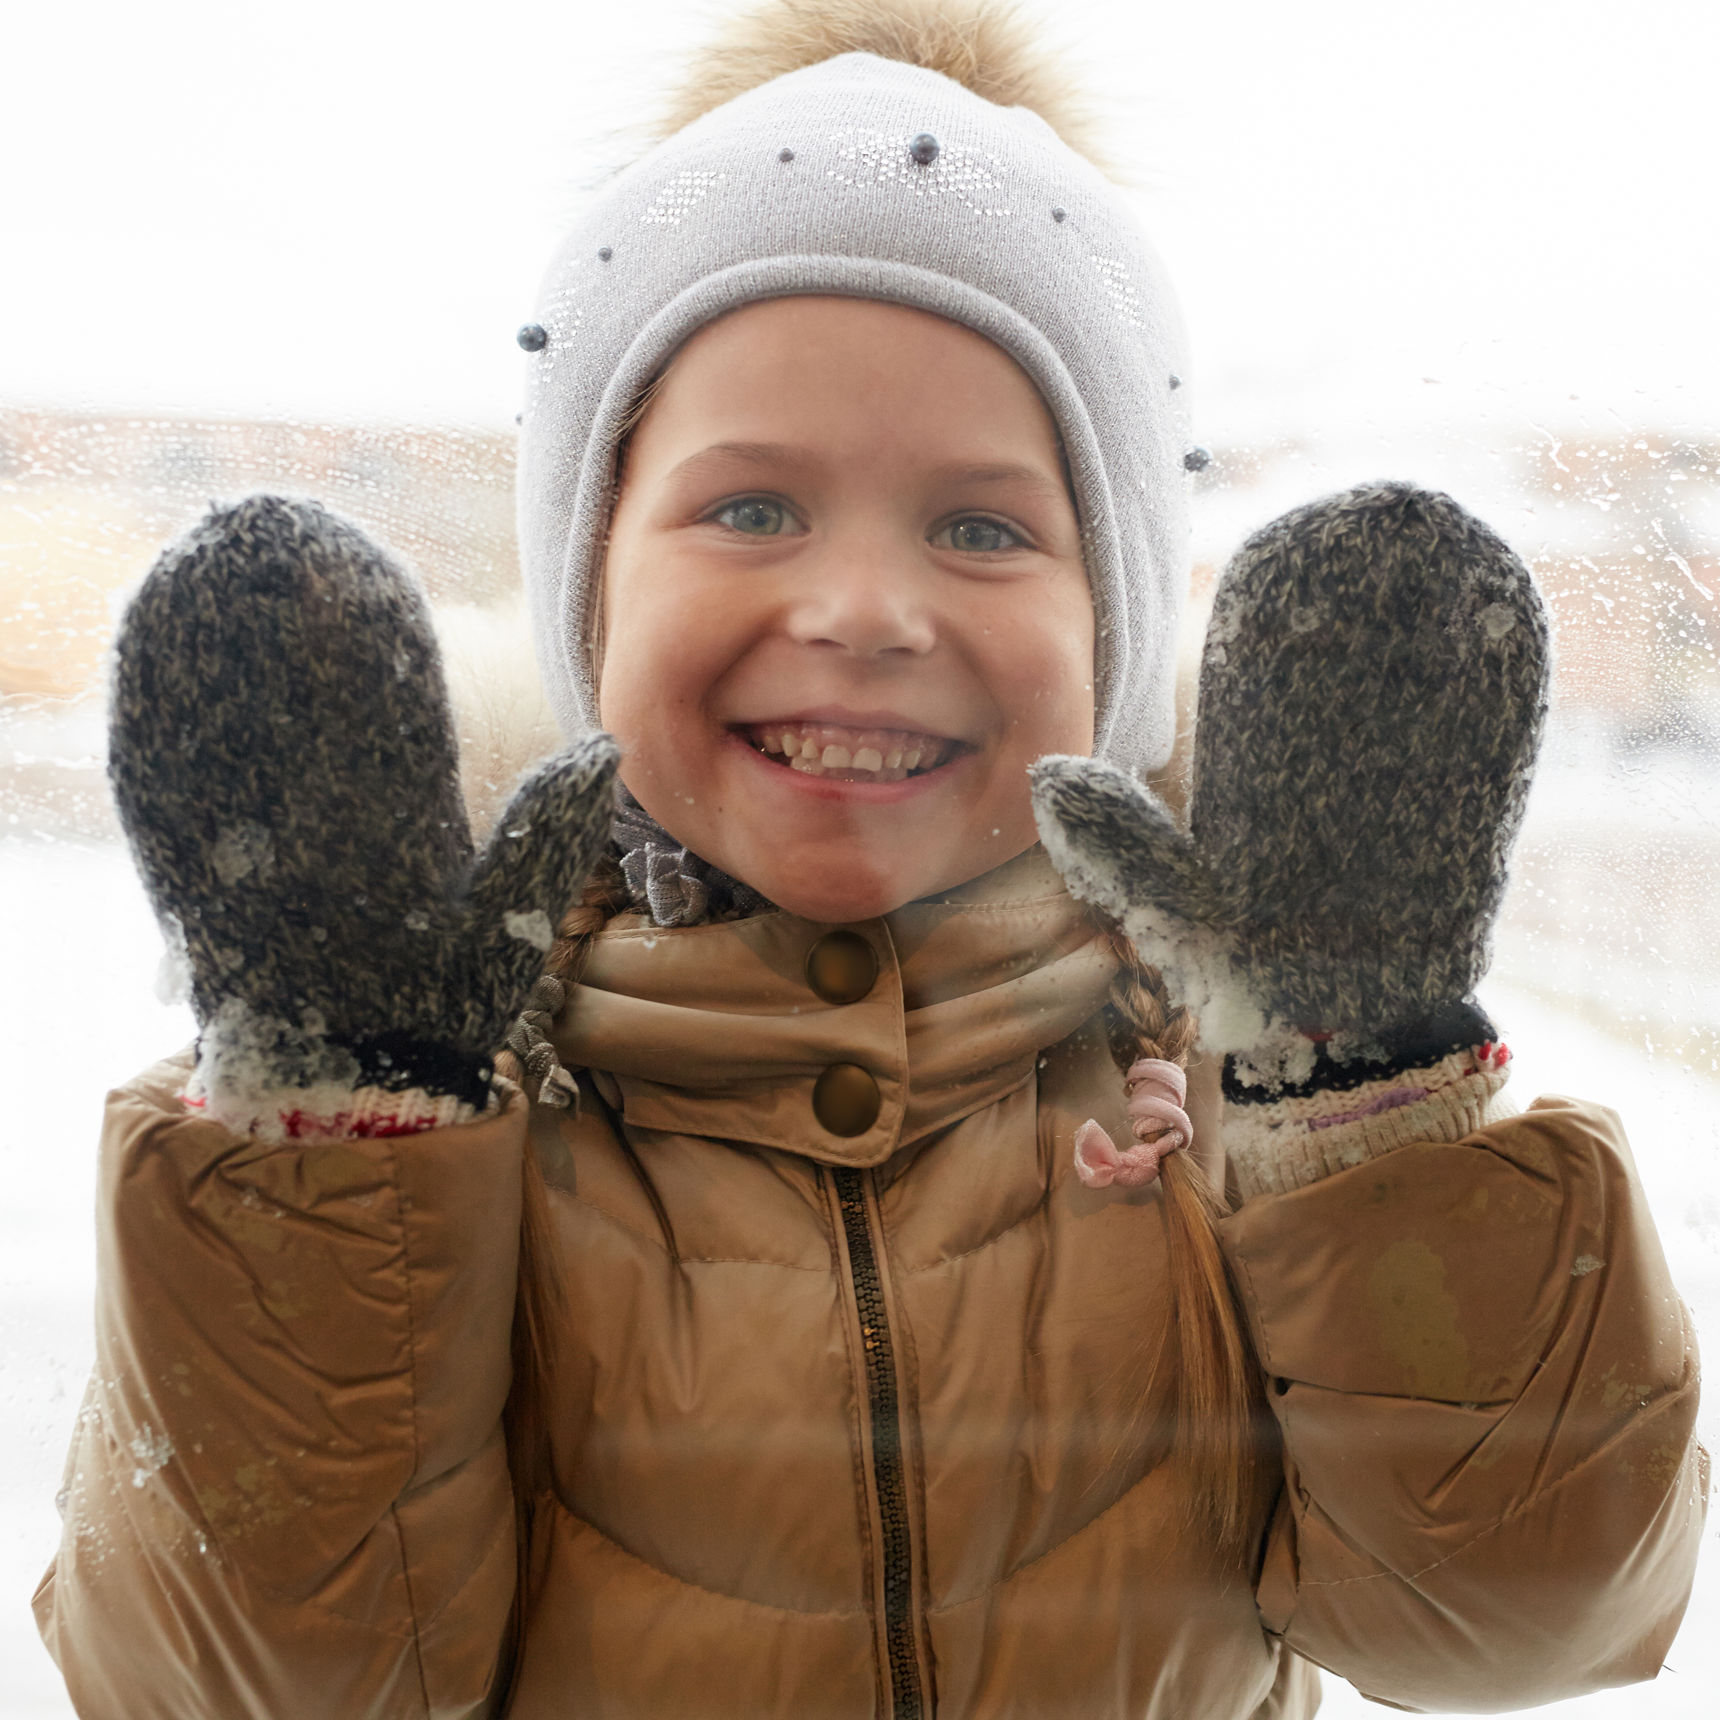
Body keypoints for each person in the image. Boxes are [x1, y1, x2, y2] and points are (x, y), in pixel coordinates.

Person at [34, 3, 1707, 1716]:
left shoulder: (1235, 1098)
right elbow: (251, 1686)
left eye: (982, 526)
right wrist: (340, 1132)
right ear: (593, 594)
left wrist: (1365, 1097)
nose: (863, 609)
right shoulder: (455, 1104)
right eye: (752, 508)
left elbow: (1514, 1618)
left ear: (1116, 635)